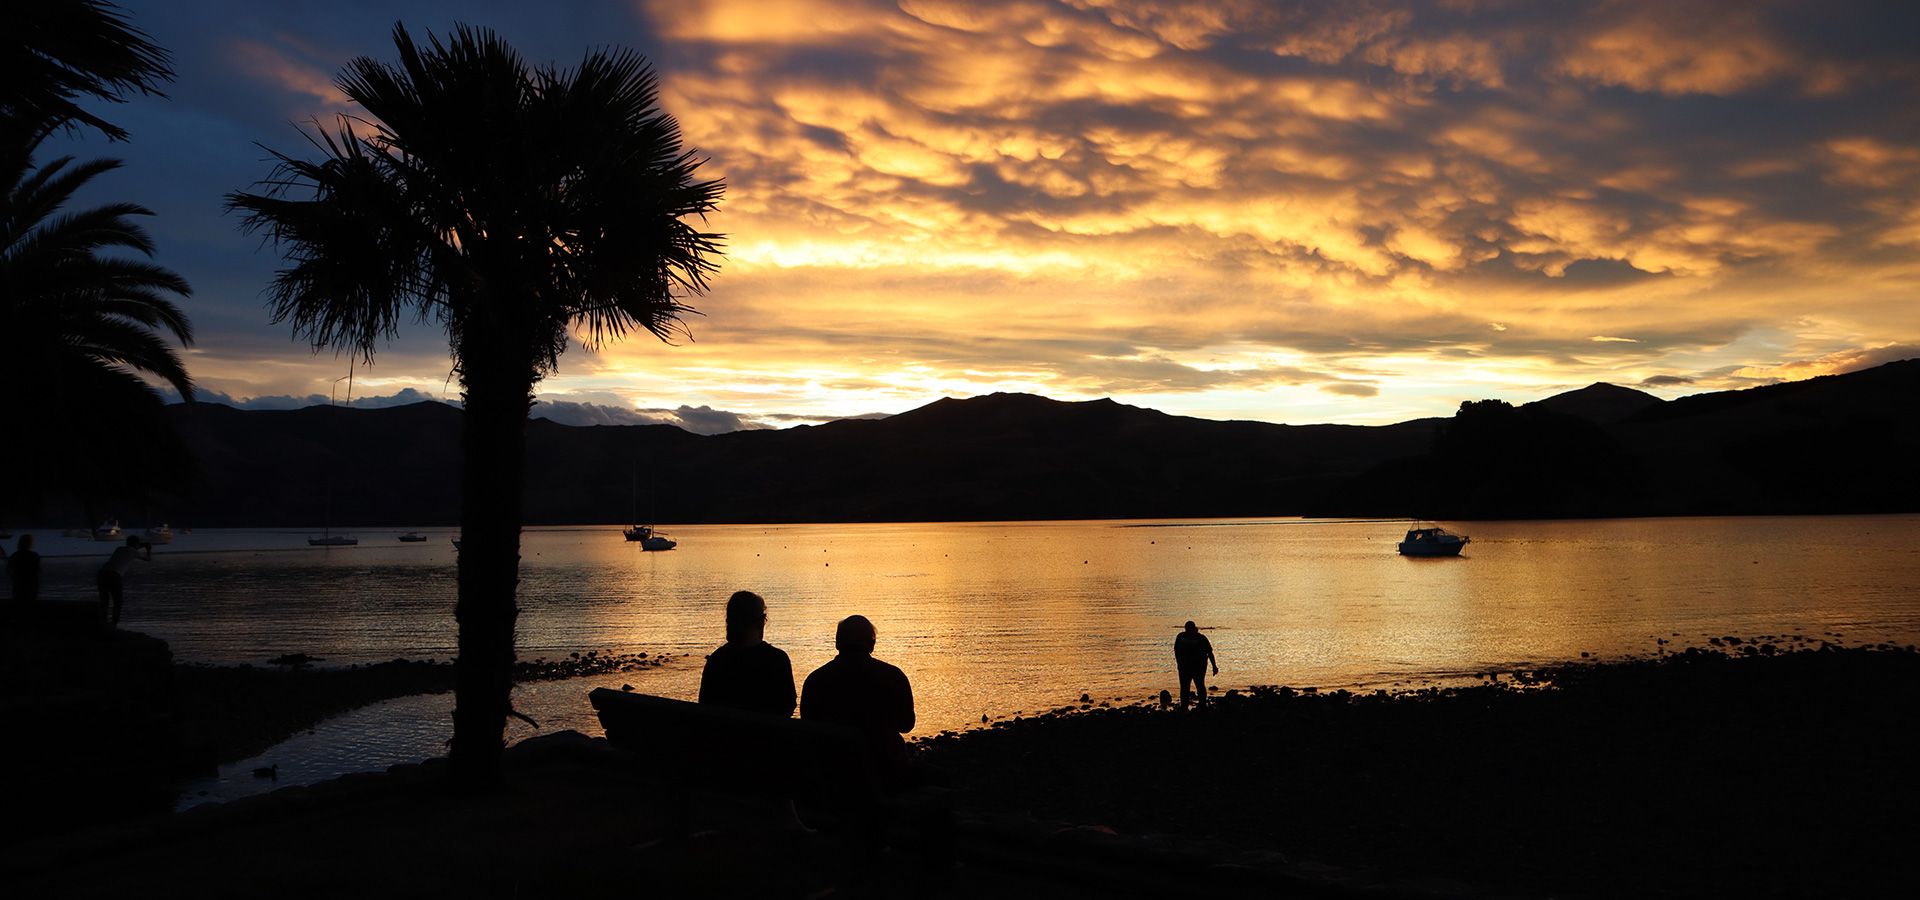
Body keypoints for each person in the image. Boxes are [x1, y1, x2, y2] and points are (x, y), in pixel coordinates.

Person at [801, 615, 915, 783]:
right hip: (887, 772)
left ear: (837, 643)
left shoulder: (815, 680)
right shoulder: (893, 676)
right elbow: (906, 725)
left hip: (832, 774)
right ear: (872, 644)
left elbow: (809, 726)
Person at [698, 590, 796, 717]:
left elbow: (705, 704)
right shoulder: (777, 660)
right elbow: (787, 705)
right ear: (761, 622)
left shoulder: (717, 660)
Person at [97, 535, 151, 626]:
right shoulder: (134, 552)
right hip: (114, 576)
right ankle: (114, 623)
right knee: (118, 601)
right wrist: (148, 549)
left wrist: (141, 545)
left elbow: (131, 548)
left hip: (102, 574)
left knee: (104, 600)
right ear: (136, 544)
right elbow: (148, 559)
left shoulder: (119, 549)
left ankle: (103, 621)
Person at [1174, 620, 1218, 710]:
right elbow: (1176, 650)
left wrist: (1214, 666)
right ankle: (1188, 706)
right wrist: (1214, 666)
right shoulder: (1183, 637)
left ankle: (1198, 706)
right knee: (1191, 686)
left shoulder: (1185, 637)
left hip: (1195, 667)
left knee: (1195, 686)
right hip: (1188, 666)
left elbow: (1209, 652)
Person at [7, 534, 40, 605]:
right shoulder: (34, 556)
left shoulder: (15, 555)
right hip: (31, 588)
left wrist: (15, 578)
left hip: (18, 588)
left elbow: (9, 571)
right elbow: (36, 572)